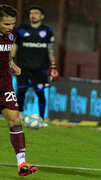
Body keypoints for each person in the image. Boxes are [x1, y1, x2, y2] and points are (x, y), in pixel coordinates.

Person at [0, 4, 38, 176]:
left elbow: (6, 54)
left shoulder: (12, 34)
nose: (10, 28)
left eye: (12, 24)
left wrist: (12, 63)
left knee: (15, 120)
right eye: (6, 24)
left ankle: (22, 164)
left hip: (4, 85)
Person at [11, 5, 59, 126]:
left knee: (40, 93)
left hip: (39, 68)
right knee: (21, 92)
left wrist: (53, 66)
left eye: (36, 13)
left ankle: (42, 119)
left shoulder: (47, 31)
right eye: (31, 13)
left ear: (42, 16)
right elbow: (14, 47)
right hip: (22, 67)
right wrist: (11, 61)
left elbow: (50, 50)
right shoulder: (21, 29)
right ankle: (20, 116)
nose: (33, 15)